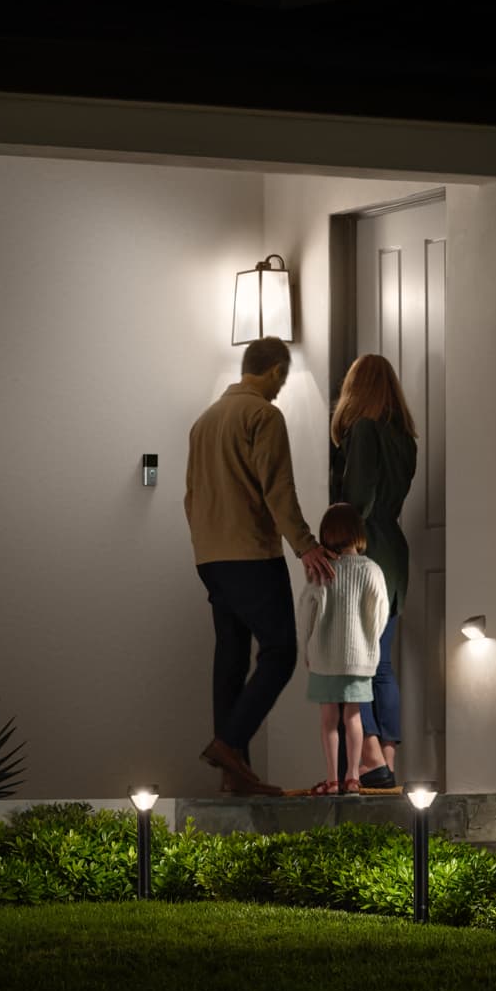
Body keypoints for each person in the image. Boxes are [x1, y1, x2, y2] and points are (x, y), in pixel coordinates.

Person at [185, 336, 336, 796]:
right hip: (251, 553)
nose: (281, 387)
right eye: (282, 378)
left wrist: (205, 544)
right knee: (280, 652)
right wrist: (306, 545)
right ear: (273, 371)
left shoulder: (204, 421)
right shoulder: (263, 415)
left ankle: (237, 775)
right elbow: (278, 489)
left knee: (230, 655)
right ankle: (229, 743)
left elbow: (191, 496)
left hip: (210, 556)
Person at [329, 353, 417, 793]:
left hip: (366, 552)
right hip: (396, 555)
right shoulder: (405, 439)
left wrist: (337, 546)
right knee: (381, 665)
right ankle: (388, 760)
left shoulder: (362, 430)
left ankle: (369, 760)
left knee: (353, 665)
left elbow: (358, 500)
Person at [296, 503, 390, 796]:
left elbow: (306, 613)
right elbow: (381, 613)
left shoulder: (321, 571)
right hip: (358, 659)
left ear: (326, 533)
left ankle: (332, 777)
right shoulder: (372, 569)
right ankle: (352, 776)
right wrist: (369, 643)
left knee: (328, 721)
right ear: (358, 533)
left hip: (325, 657)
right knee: (353, 718)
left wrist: (307, 648)